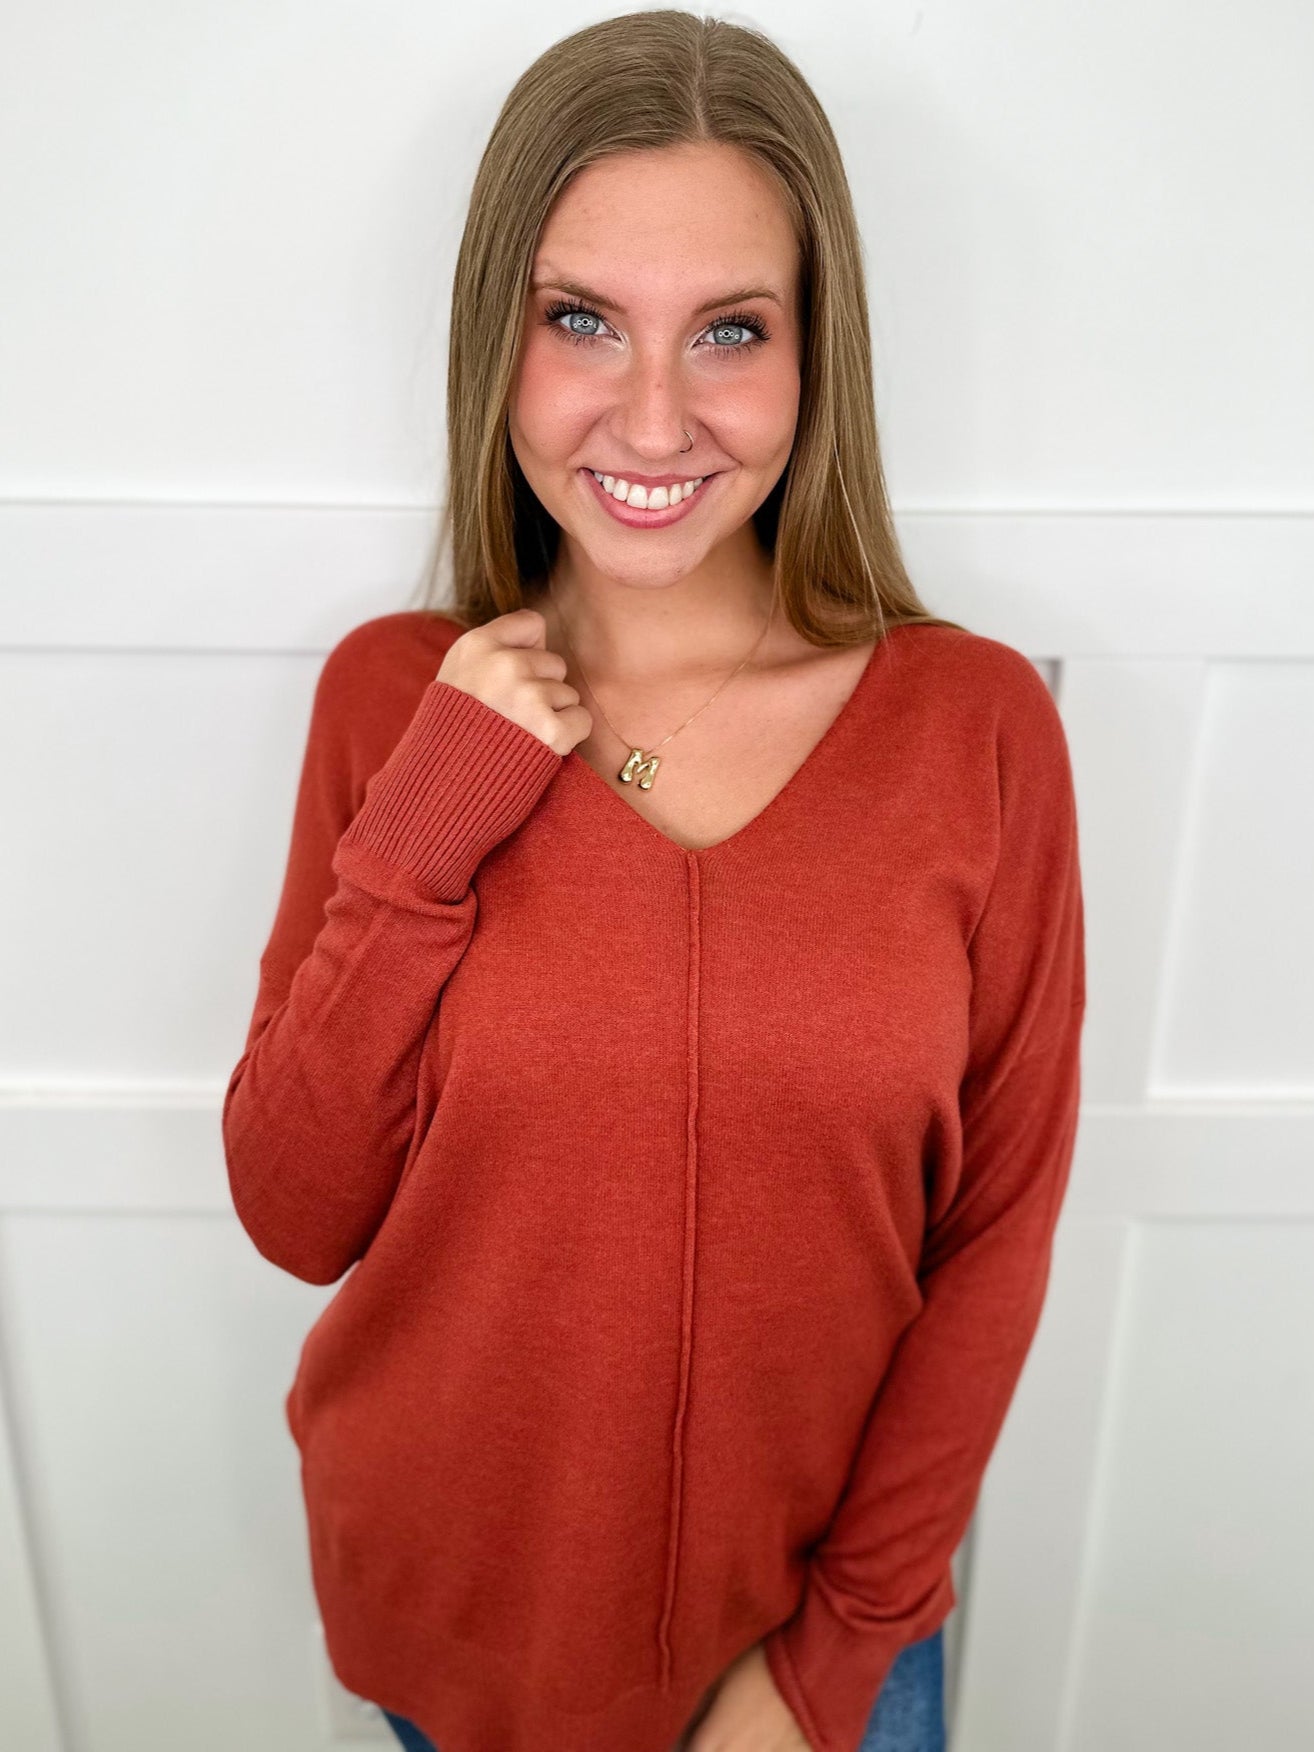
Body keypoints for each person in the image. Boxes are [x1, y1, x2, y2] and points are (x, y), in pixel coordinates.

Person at [222, 11, 1085, 1752]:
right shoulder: (392, 700)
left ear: (815, 354)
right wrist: (429, 826)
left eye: (730, 331)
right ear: (500, 337)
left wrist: (827, 1668)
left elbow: (990, 1240)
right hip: (450, 1632)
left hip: (817, 1659)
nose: (653, 414)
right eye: (582, 320)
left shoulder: (973, 728)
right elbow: (295, 1209)